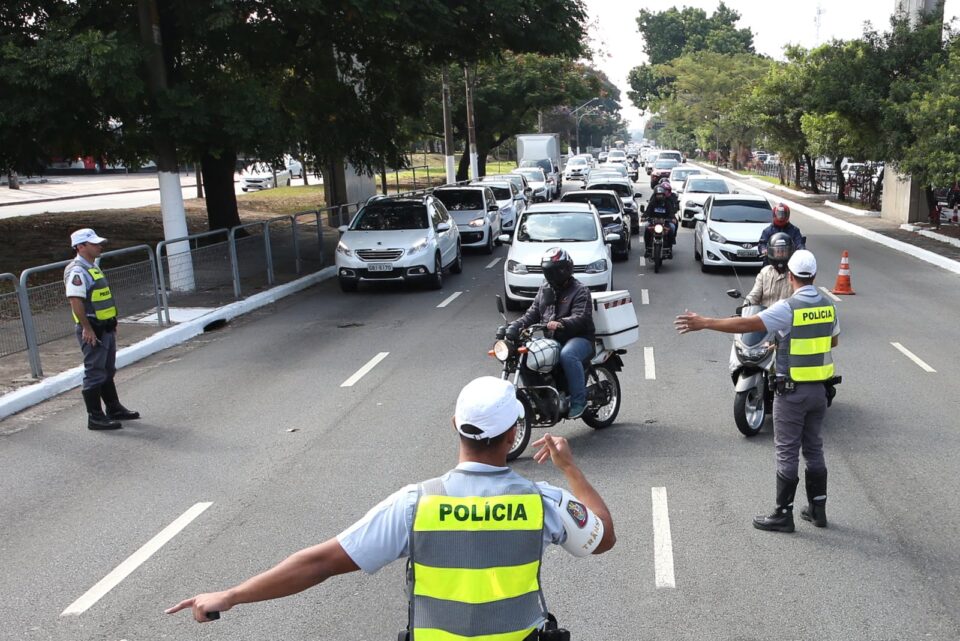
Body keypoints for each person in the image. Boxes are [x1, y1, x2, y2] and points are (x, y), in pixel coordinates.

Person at [166, 376, 616, 636]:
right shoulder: (541, 503)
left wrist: (232, 594)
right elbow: (602, 537)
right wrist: (569, 468)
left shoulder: (413, 505)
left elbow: (319, 563)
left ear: (455, 426)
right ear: (515, 432)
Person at [675, 250, 839, 533]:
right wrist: (785, 344)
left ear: (790, 276)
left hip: (792, 392)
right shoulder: (828, 305)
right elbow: (831, 341)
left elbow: (748, 323)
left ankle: (783, 515)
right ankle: (817, 509)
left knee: (787, 451)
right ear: (813, 275)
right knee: (814, 449)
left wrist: (705, 323)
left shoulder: (789, 307)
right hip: (819, 392)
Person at [64, 228, 139, 430]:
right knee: (95, 372)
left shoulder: (92, 266)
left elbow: (101, 298)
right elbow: (75, 301)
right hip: (92, 330)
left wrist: (111, 323)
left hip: (104, 328)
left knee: (107, 370)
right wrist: (87, 328)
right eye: (94, 244)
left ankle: (113, 408)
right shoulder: (77, 270)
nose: (100, 246)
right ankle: (95, 417)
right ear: (80, 247)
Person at [510, 248, 595, 419]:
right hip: (553, 339)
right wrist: (513, 326)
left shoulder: (580, 290)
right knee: (528, 355)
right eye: (549, 270)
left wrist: (562, 323)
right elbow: (532, 314)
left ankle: (579, 401)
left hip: (580, 338)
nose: (552, 274)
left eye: (555, 270)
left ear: (565, 268)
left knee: (568, 355)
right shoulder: (545, 290)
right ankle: (542, 399)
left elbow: (581, 317)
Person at [743, 232, 795, 308]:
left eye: (783, 252)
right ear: (771, 252)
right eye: (777, 252)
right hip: (766, 317)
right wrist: (746, 305)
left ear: (790, 252)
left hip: (787, 317)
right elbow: (754, 295)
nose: (780, 255)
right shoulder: (765, 272)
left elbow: (801, 298)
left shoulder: (795, 274)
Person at [643, 185, 677, 255]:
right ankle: (647, 248)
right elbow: (648, 211)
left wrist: (672, 218)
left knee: (672, 228)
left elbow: (671, 212)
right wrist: (644, 217)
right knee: (646, 228)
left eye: (661, 195)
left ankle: (669, 248)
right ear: (655, 195)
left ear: (664, 195)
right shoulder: (652, 203)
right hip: (653, 222)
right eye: (658, 195)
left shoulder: (667, 203)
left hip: (665, 222)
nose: (659, 197)